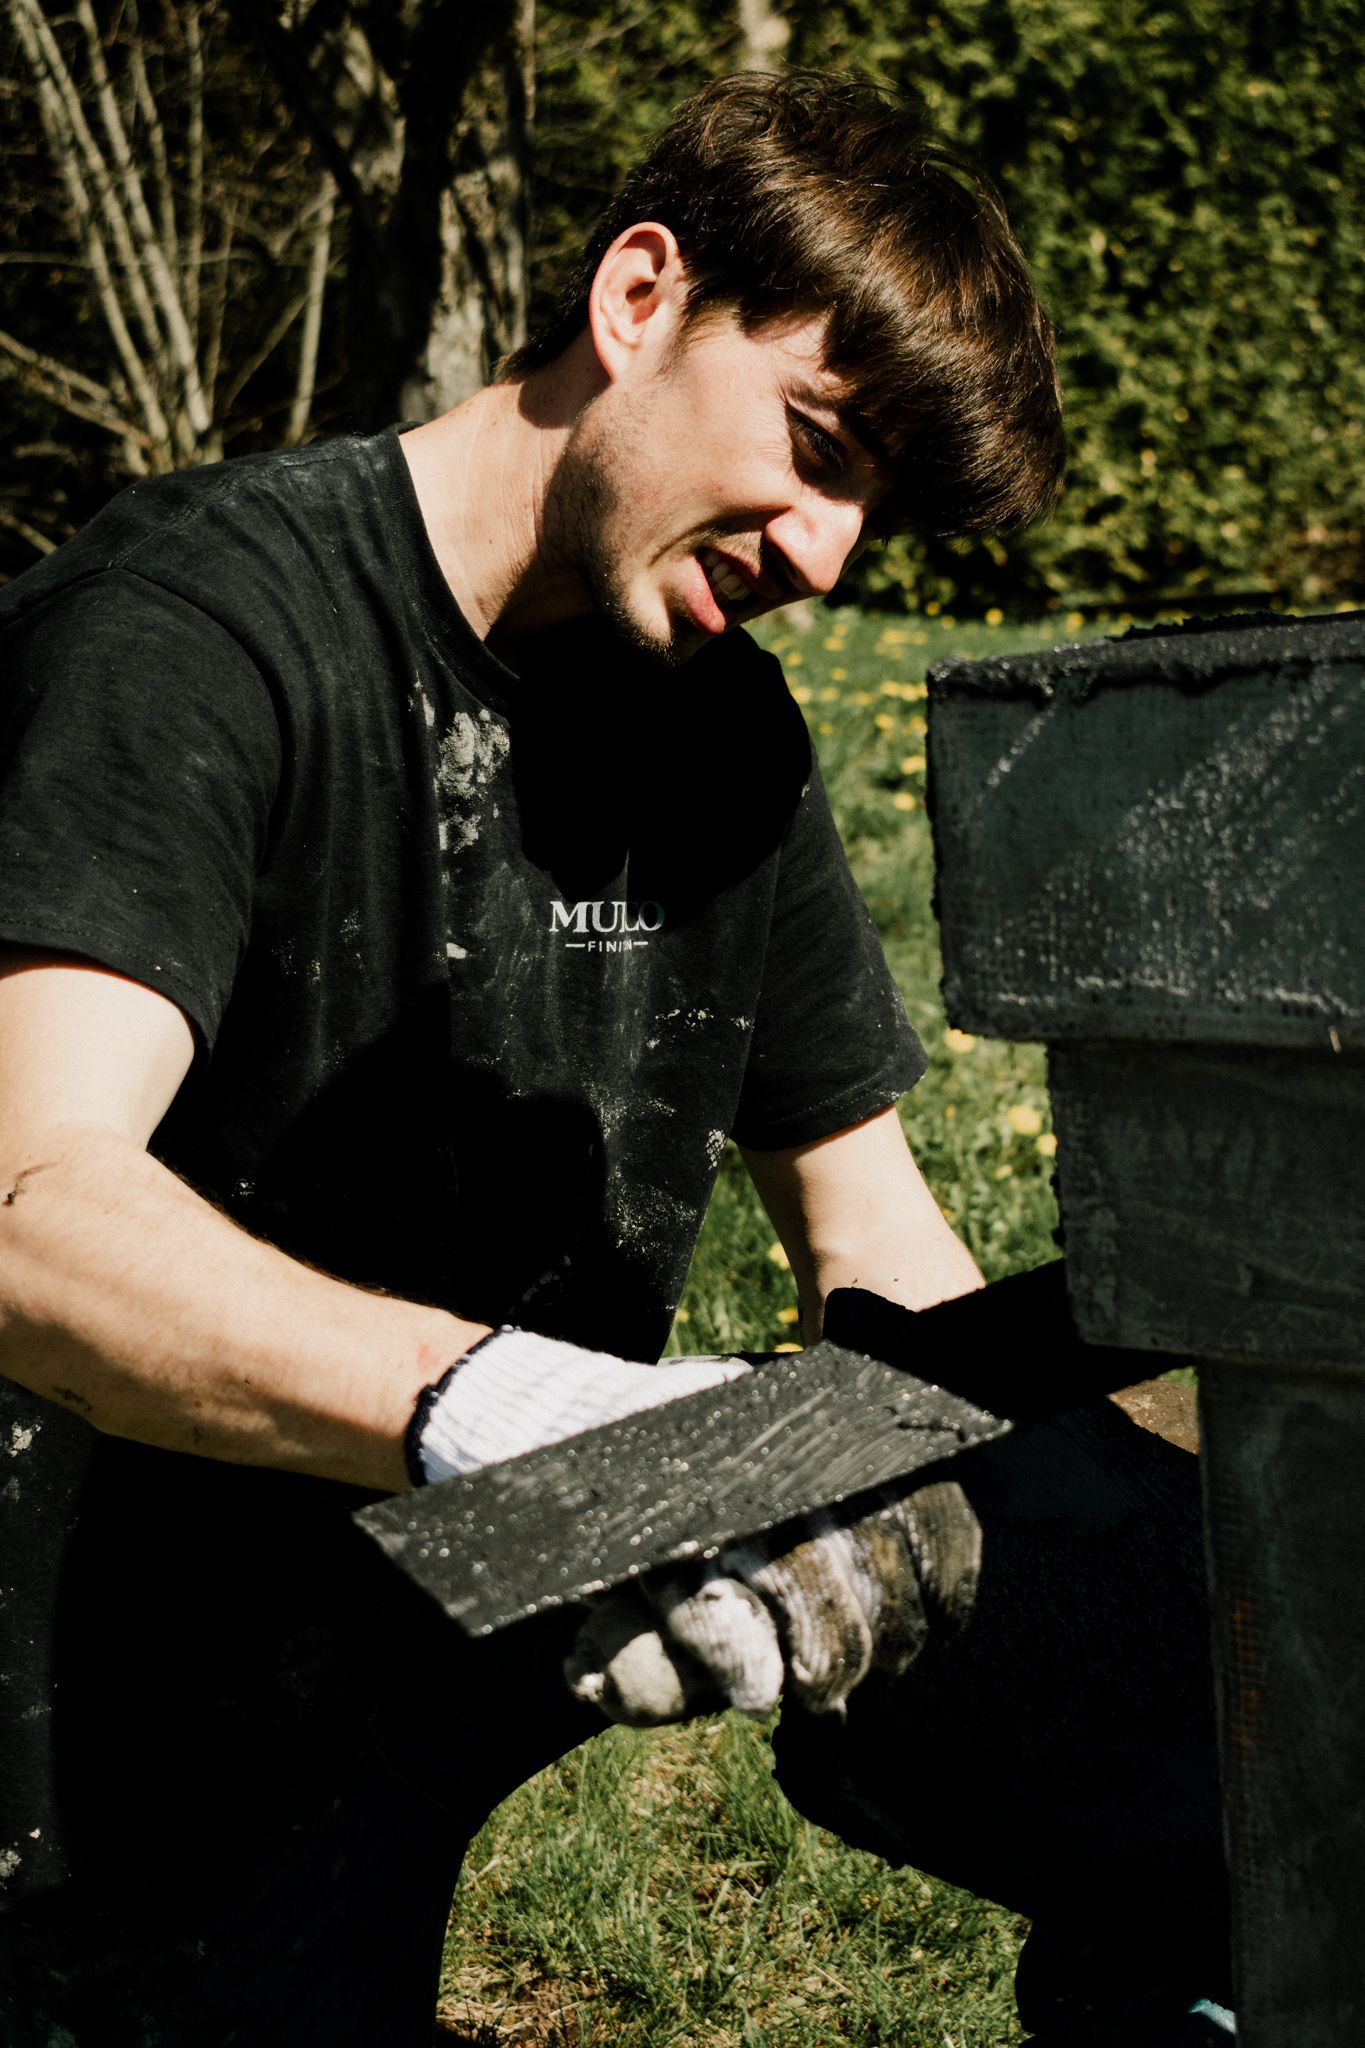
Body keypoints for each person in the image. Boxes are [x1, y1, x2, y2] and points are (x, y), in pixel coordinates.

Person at [0, 67, 1226, 2047]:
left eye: (871, 513)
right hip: (88, 1697)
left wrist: (966, 1543)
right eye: (817, 448)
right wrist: (534, 1422)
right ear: (636, 295)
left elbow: (878, 1257)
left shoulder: (720, 736)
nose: (828, 554)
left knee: (1182, 1664)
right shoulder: (204, 629)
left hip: (421, 1614)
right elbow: (27, 1215)